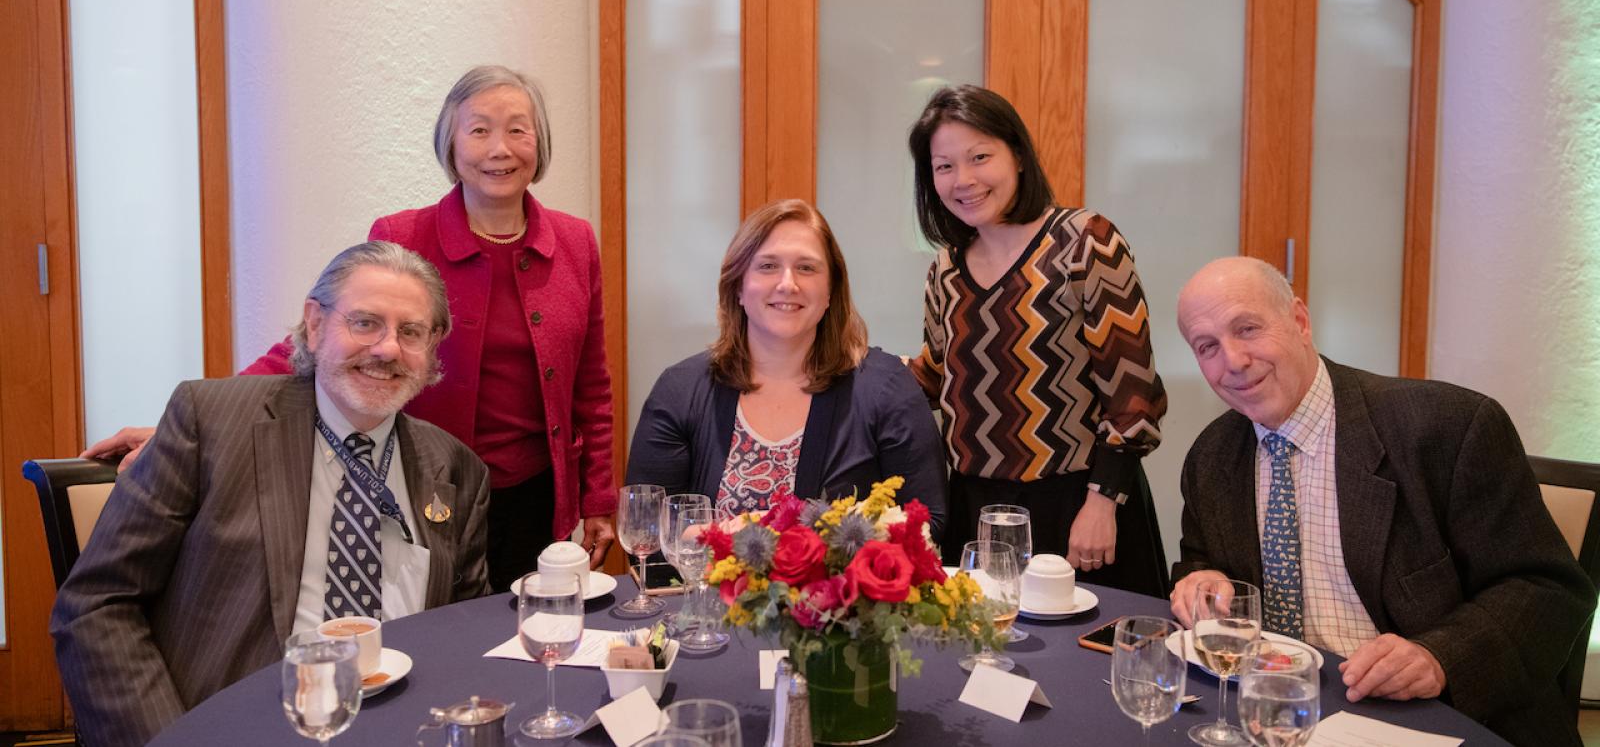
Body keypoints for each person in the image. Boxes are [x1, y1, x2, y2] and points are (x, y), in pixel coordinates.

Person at [86, 65, 616, 591]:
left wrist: (598, 499)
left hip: (537, 492)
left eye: (518, 129)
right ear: (450, 146)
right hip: (423, 482)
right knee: (434, 632)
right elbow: (316, 342)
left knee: (524, 634)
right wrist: (193, 427)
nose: (500, 148)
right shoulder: (403, 235)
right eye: (479, 130)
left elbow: (592, 387)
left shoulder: (575, 242)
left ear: (538, 144)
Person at [51, 242, 491, 747]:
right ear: (316, 323)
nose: (388, 349)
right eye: (366, 323)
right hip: (233, 728)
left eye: (411, 331)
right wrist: (170, 740)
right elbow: (97, 605)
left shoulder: (457, 471)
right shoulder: (210, 422)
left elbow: (461, 632)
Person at [1169, 256, 1593, 747]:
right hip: (1275, 714)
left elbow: (1548, 588)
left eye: (1248, 328)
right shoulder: (1212, 455)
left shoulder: (1447, 428)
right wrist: (1200, 581)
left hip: (1436, 719)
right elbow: (1201, 562)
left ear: (1300, 321)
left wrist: (1439, 657)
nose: (1234, 362)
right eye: (1208, 347)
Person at [906, 85, 1168, 593]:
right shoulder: (944, 270)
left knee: (1088, 663)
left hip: (1080, 504)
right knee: (981, 659)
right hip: (974, 511)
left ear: (1019, 156)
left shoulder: (1085, 241)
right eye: (944, 166)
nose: (964, 180)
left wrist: (1102, 502)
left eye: (980, 157)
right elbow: (937, 377)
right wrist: (847, 370)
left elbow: (1133, 392)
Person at [626, 199, 947, 534]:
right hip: (705, 587)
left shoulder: (889, 388)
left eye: (807, 268)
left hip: (838, 588)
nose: (787, 284)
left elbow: (930, 523)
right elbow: (646, 530)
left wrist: (796, 544)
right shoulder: (680, 390)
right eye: (767, 266)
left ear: (830, 292)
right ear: (738, 286)